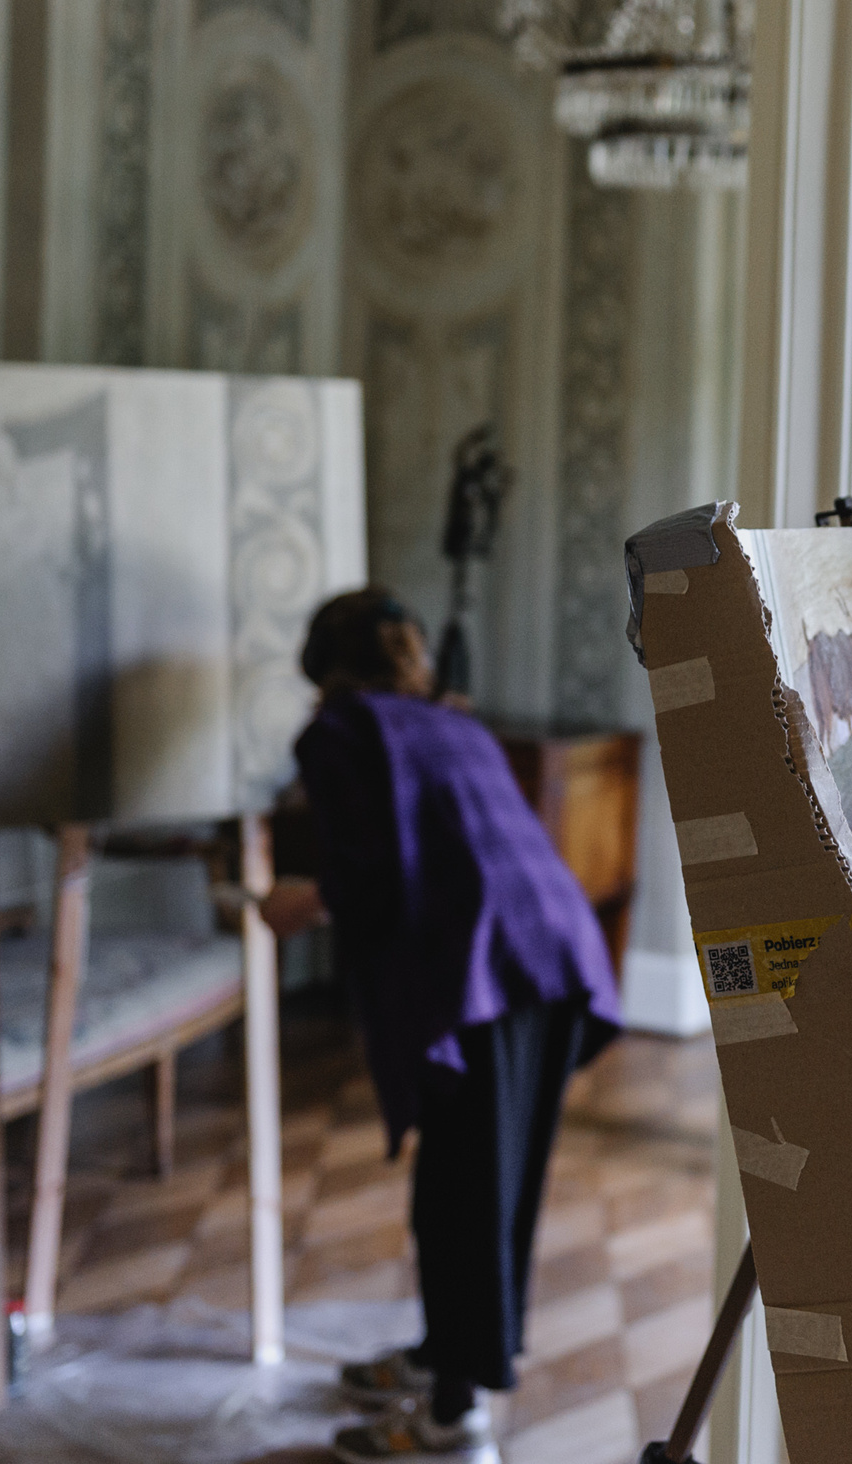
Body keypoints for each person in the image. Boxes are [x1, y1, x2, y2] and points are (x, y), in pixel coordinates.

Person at [274, 589, 622, 1461]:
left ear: (326, 670)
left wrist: (301, 900)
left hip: (486, 967)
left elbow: (373, 877)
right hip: (552, 951)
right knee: (487, 1183)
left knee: (465, 1193)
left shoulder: (339, 732)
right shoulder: (454, 724)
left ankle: (454, 1419)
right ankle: (443, 1359)